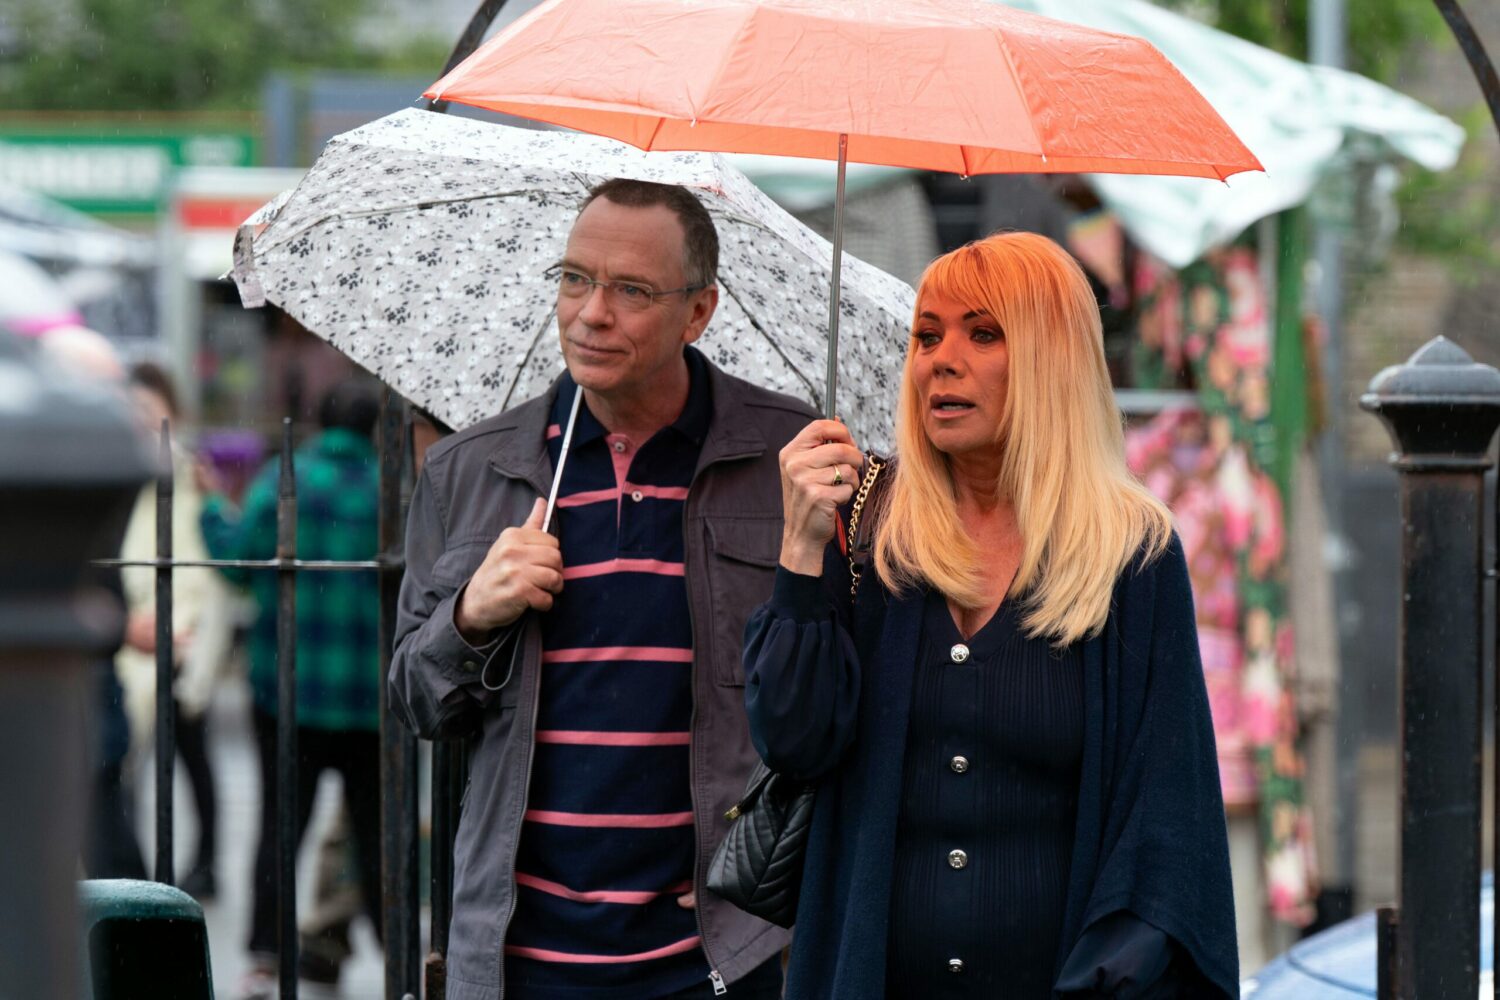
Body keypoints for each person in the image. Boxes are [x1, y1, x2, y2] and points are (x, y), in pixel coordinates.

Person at [744, 232, 1237, 999]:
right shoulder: (868, 529)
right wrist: (800, 555)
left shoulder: (1132, 556)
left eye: (984, 334)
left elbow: (1168, 824)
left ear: (1053, 359)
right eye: (927, 336)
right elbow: (793, 741)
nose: (942, 359)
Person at [389, 179, 807, 1000]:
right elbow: (416, 701)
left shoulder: (790, 457)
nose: (591, 312)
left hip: (719, 955)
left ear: (699, 312)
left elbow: (838, 700)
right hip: (524, 959)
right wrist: (472, 615)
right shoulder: (473, 470)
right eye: (575, 278)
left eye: (632, 290)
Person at [200, 378, 386, 1000]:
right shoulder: (399, 488)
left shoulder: (289, 479)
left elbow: (237, 562)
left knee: (281, 826)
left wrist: (207, 507)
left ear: (317, 416)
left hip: (288, 692)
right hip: (371, 699)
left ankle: (264, 956)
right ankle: (404, 958)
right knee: (375, 835)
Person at [115, 361, 235, 898]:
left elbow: (210, 565)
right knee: (125, 764)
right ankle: (136, 870)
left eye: (150, 407)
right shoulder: (117, 474)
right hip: (134, 639)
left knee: (191, 755)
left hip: (183, 640)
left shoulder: (190, 472)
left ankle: (203, 863)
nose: (141, 418)